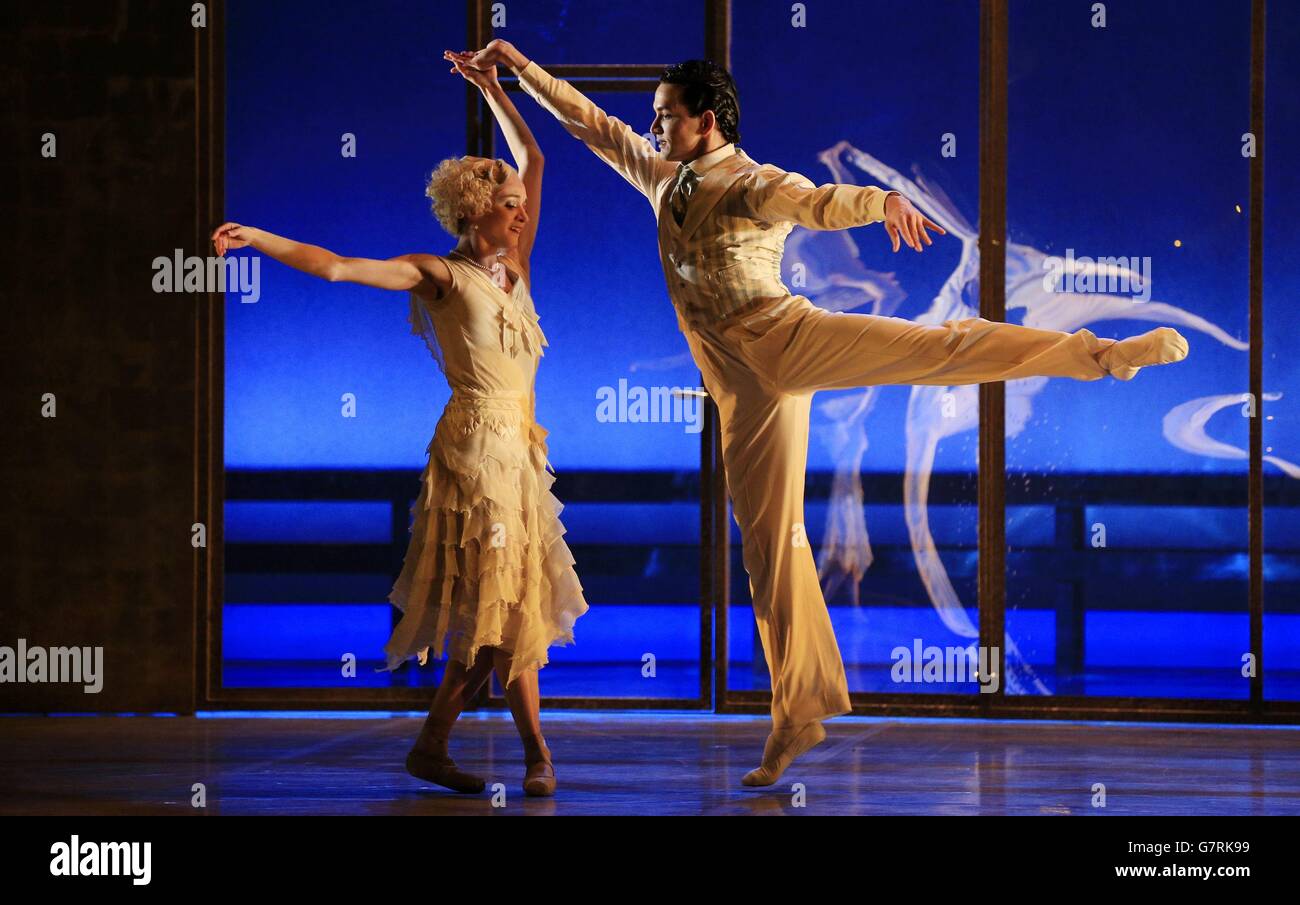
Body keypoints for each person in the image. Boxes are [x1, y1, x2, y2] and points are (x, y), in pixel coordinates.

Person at [451, 39, 1189, 787]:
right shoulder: (661, 177)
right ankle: (795, 716)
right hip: (739, 385)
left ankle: (1100, 354)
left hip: (788, 338)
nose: (653, 127)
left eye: (666, 116)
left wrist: (884, 203)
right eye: (654, 116)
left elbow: (817, 202)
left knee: (940, 348)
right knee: (770, 548)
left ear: (707, 121)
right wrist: (512, 72)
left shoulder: (747, 181)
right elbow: (591, 124)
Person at [211, 50, 588, 797]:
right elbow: (337, 268)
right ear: (474, 209)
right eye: (508, 201)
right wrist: (258, 235)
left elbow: (535, 156)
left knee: (517, 607)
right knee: (493, 605)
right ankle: (492, 748)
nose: (520, 209)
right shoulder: (439, 273)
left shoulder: (518, 268)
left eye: (518, 203)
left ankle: (506, 751)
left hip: (522, 451)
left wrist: (494, 87)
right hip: (476, 450)